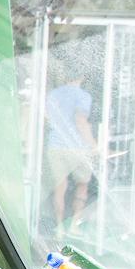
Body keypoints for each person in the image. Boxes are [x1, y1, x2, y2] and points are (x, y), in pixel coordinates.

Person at [44, 65, 98, 233]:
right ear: (81, 77)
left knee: (60, 187)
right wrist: (94, 145)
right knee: (82, 185)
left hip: (55, 146)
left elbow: (46, 118)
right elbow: (80, 121)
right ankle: (74, 225)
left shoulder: (53, 95)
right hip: (77, 148)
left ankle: (59, 225)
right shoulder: (83, 96)